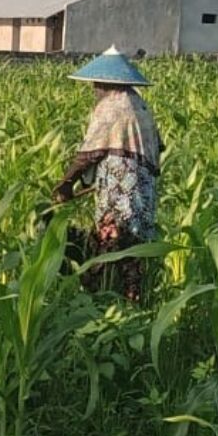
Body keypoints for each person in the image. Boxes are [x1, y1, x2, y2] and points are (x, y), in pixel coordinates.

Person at [52, 45, 163, 302]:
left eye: (95, 85)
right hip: (143, 187)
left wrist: (65, 185)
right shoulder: (140, 105)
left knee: (112, 238)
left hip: (119, 186)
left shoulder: (111, 105)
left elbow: (90, 152)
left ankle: (109, 297)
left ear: (105, 82)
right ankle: (135, 297)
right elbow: (158, 147)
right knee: (135, 243)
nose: (94, 90)